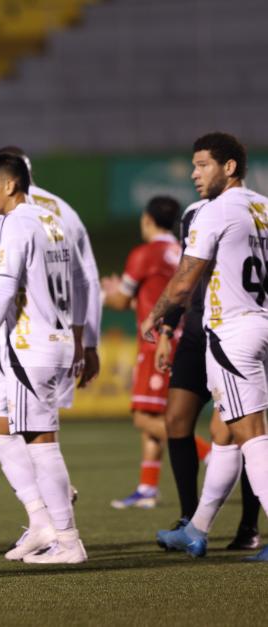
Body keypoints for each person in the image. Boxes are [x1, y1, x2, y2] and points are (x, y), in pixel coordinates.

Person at [0, 146, 98, 560]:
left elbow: (1, 283)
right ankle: (43, 521)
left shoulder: (15, 223)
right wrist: (79, 336)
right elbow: (81, 279)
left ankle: (67, 539)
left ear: (10, 183)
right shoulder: (53, 218)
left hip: (27, 345)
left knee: (41, 443)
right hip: (52, 341)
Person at [143, 133, 267, 560]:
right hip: (260, 326)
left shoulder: (215, 211)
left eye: (202, 165)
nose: (194, 174)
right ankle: (196, 528)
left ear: (229, 167)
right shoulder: (264, 207)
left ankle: (250, 526)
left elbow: (184, 281)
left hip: (233, 332)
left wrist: (157, 316)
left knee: (251, 436)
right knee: (226, 435)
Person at [102, 196, 210, 508]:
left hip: (156, 342)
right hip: (182, 335)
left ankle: (209, 455)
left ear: (147, 220)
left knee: (142, 417)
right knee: (157, 414)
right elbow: (154, 297)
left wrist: (108, 294)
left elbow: (122, 301)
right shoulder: (180, 251)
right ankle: (148, 487)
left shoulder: (145, 253)